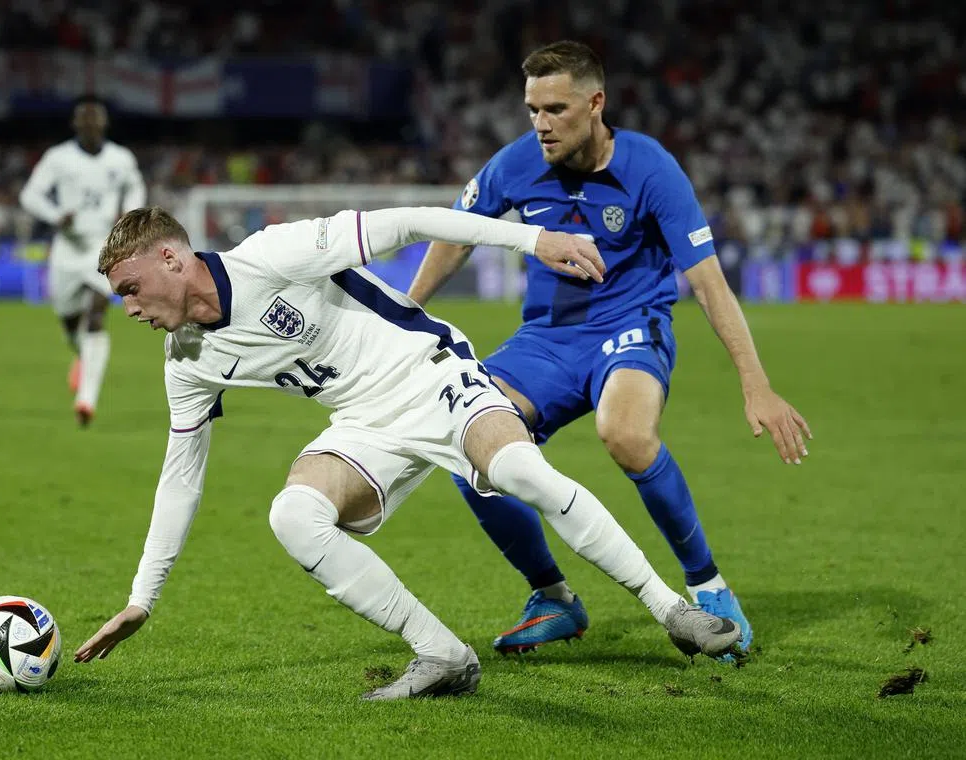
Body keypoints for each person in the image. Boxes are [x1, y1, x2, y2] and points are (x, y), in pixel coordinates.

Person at [72, 205, 742, 701]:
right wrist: (142, 599)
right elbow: (180, 478)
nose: (126, 307)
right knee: (292, 515)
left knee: (515, 469)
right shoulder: (186, 358)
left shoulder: (274, 256)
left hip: (432, 373)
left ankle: (671, 610)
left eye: (129, 288)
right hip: (364, 423)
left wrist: (535, 238)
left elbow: (414, 221)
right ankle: (442, 654)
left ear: (170, 260)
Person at [408, 40, 812, 657]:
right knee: (469, 446)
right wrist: (406, 315)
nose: (541, 124)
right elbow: (454, 235)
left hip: (631, 327)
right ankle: (553, 597)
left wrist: (755, 383)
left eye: (556, 109)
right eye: (532, 109)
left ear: (595, 103)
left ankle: (707, 585)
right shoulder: (515, 163)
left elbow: (706, 281)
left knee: (624, 433)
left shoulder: (652, 168)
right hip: (545, 340)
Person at [19, 95, 146, 426]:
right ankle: (80, 355)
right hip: (67, 250)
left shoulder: (120, 158)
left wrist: (129, 214)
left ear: (104, 123)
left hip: (103, 247)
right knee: (69, 321)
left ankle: (86, 399)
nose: (90, 125)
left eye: (96, 119)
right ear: (75, 124)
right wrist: (55, 215)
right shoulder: (58, 158)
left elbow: (136, 188)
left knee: (96, 316)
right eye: (84, 120)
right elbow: (30, 195)